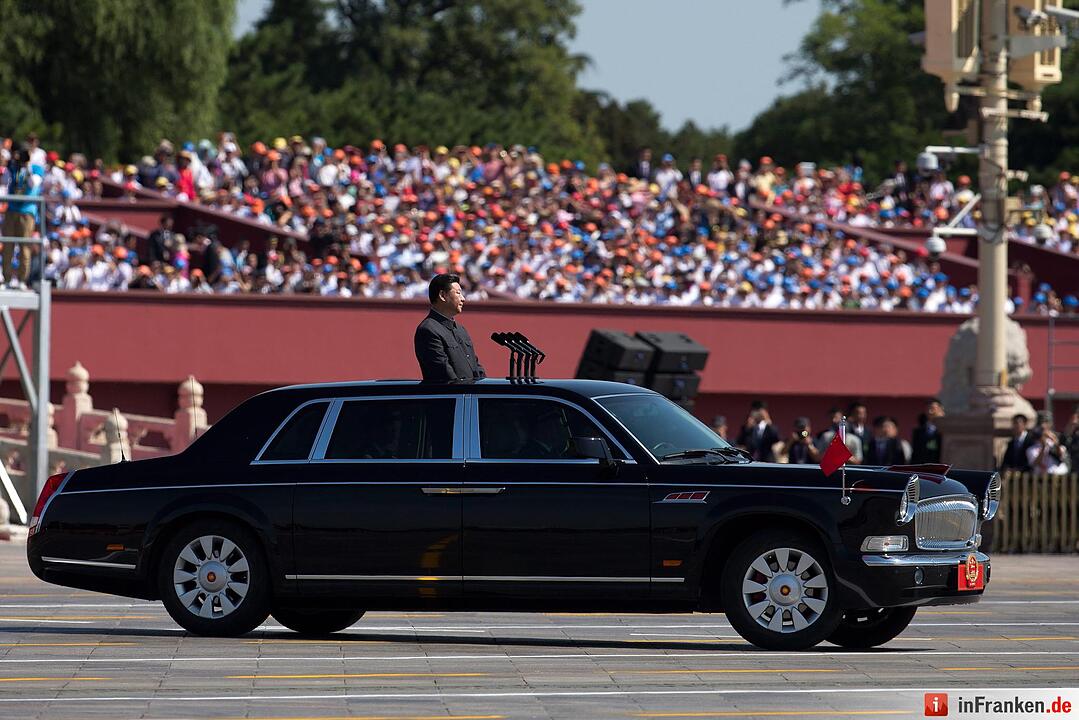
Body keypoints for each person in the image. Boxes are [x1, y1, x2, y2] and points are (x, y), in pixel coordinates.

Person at [414, 273, 486, 382]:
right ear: (442, 295)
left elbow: (476, 366)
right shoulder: (428, 330)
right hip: (452, 397)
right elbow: (443, 374)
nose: (463, 299)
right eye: (458, 293)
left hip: (469, 396)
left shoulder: (461, 330)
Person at [2, 144, 43, 288]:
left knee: (25, 247)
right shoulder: (13, 168)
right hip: (12, 209)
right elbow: (5, 182)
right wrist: (12, 165)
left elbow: (34, 184)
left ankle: (22, 280)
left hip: (27, 212)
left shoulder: (36, 169)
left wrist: (28, 167)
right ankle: (7, 279)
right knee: (8, 245)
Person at [910, 398, 945, 464]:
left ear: (941, 409)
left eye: (933, 408)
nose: (930, 411)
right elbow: (915, 454)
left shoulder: (946, 430)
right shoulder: (918, 431)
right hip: (922, 467)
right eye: (927, 409)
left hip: (940, 467)